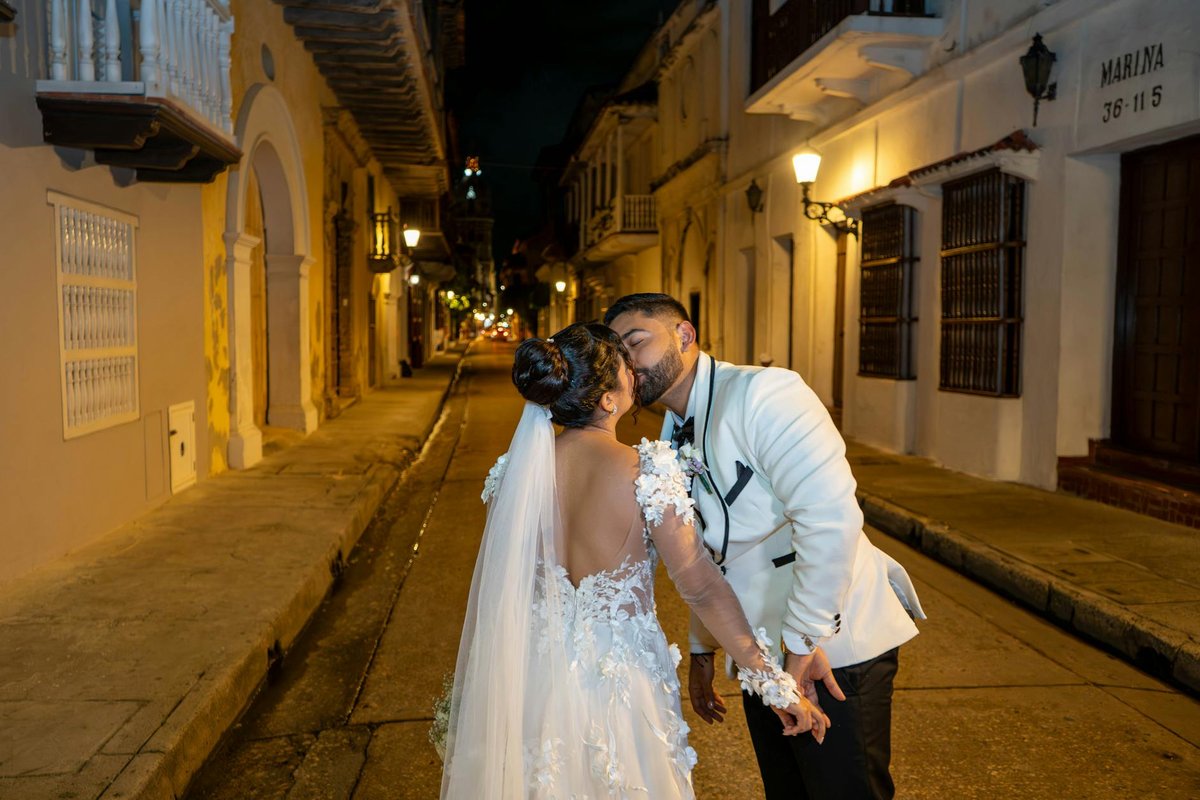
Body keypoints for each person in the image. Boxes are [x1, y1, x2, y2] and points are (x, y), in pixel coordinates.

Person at [440, 322, 826, 799]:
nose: (635, 375)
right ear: (607, 399)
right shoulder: (646, 469)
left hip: (531, 679)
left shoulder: (513, 476)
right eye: (626, 368)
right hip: (620, 688)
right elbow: (700, 584)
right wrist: (773, 682)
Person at [605, 294, 925, 800]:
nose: (628, 363)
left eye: (636, 342)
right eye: (618, 354)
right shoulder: (669, 432)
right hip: (758, 651)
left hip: (829, 645)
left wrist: (799, 646)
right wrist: (702, 648)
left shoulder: (765, 393)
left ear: (684, 336)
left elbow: (829, 519)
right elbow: (707, 552)